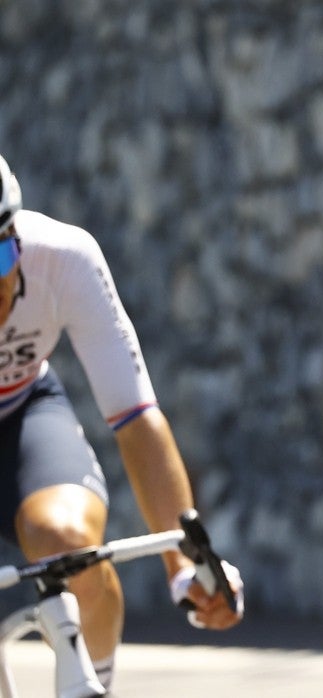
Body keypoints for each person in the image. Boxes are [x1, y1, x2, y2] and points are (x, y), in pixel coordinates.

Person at [0, 154, 244, 691]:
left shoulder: (63, 258)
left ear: (16, 236)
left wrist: (187, 568)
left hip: (22, 415)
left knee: (67, 542)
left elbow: (135, 416)